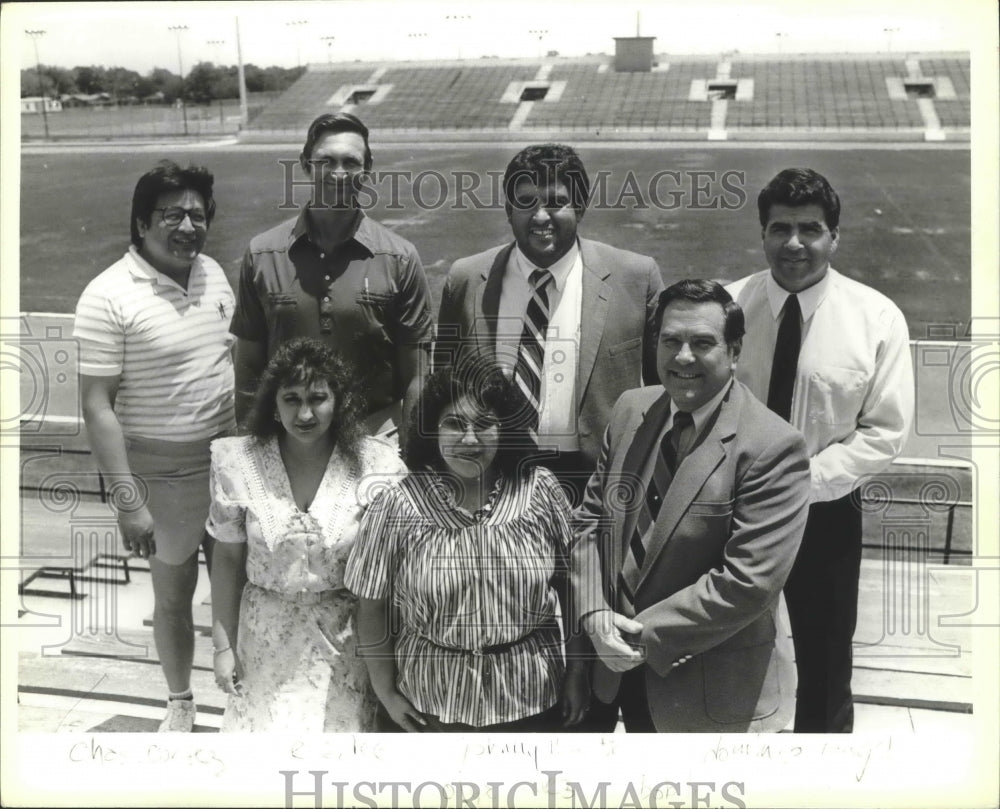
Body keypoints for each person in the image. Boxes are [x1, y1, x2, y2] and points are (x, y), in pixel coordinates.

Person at [570, 279, 811, 732]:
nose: (683, 357)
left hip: (703, 689)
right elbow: (589, 522)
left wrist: (633, 635)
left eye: (702, 343)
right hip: (608, 670)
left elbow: (748, 582)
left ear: (734, 352)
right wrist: (593, 612)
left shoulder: (774, 446)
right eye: (670, 341)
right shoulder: (630, 410)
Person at [726, 168, 914, 733]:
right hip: (731, 509)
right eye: (780, 228)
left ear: (834, 236)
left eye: (809, 229)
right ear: (762, 233)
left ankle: (823, 769)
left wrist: (801, 482)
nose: (794, 243)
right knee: (724, 649)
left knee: (825, 659)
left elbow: (884, 430)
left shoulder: (876, 318)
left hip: (825, 514)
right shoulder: (728, 305)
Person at [74, 160, 235, 732]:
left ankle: (244, 704)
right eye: (172, 215)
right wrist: (127, 500)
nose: (188, 226)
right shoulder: (107, 295)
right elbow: (96, 406)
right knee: (174, 596)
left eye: (198, 214)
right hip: (160, 473)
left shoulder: (214, 273)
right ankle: (180, 703)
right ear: (142, 224)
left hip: (227, 463)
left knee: (239, 592)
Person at [345, 358, 589, 732]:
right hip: (431, 705)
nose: (470, 440)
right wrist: (386, 692)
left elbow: (573, 587)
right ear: (432, 430)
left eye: (484, 424)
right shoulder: (397, 505)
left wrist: (577, 670)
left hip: (532, 697)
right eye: (455, 424)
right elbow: (371, 606)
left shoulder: (539, 490)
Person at [435, 142, 665, 505]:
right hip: (494, 476)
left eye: (556, 202)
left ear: (580, 207)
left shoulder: (636, 277)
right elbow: (442, 389)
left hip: (597, 481)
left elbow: (662, 389)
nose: (541, 217)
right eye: (526, 202)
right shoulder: (466, 279)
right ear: (508, 210)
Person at [207, 338, 405, 732]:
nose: (305, 413)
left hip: (345, 647)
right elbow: (227, 560)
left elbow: (393, 574)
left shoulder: (377, 466)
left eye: (317, 398)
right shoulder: (237, 463)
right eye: (292, 399)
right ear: (274, 405)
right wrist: (222, 647)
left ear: (338, 402)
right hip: (262, 644)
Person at [230, 112, 435, 437]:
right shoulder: (262, 254)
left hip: (375, 439)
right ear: (305, 164)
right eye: (326, 161)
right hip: (289, 439)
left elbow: (417, 375)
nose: (338, 173)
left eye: (350, 162)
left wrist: (413, 452)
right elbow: (248, 369)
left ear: (367, 169)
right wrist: (249, 446)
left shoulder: (400, 258)